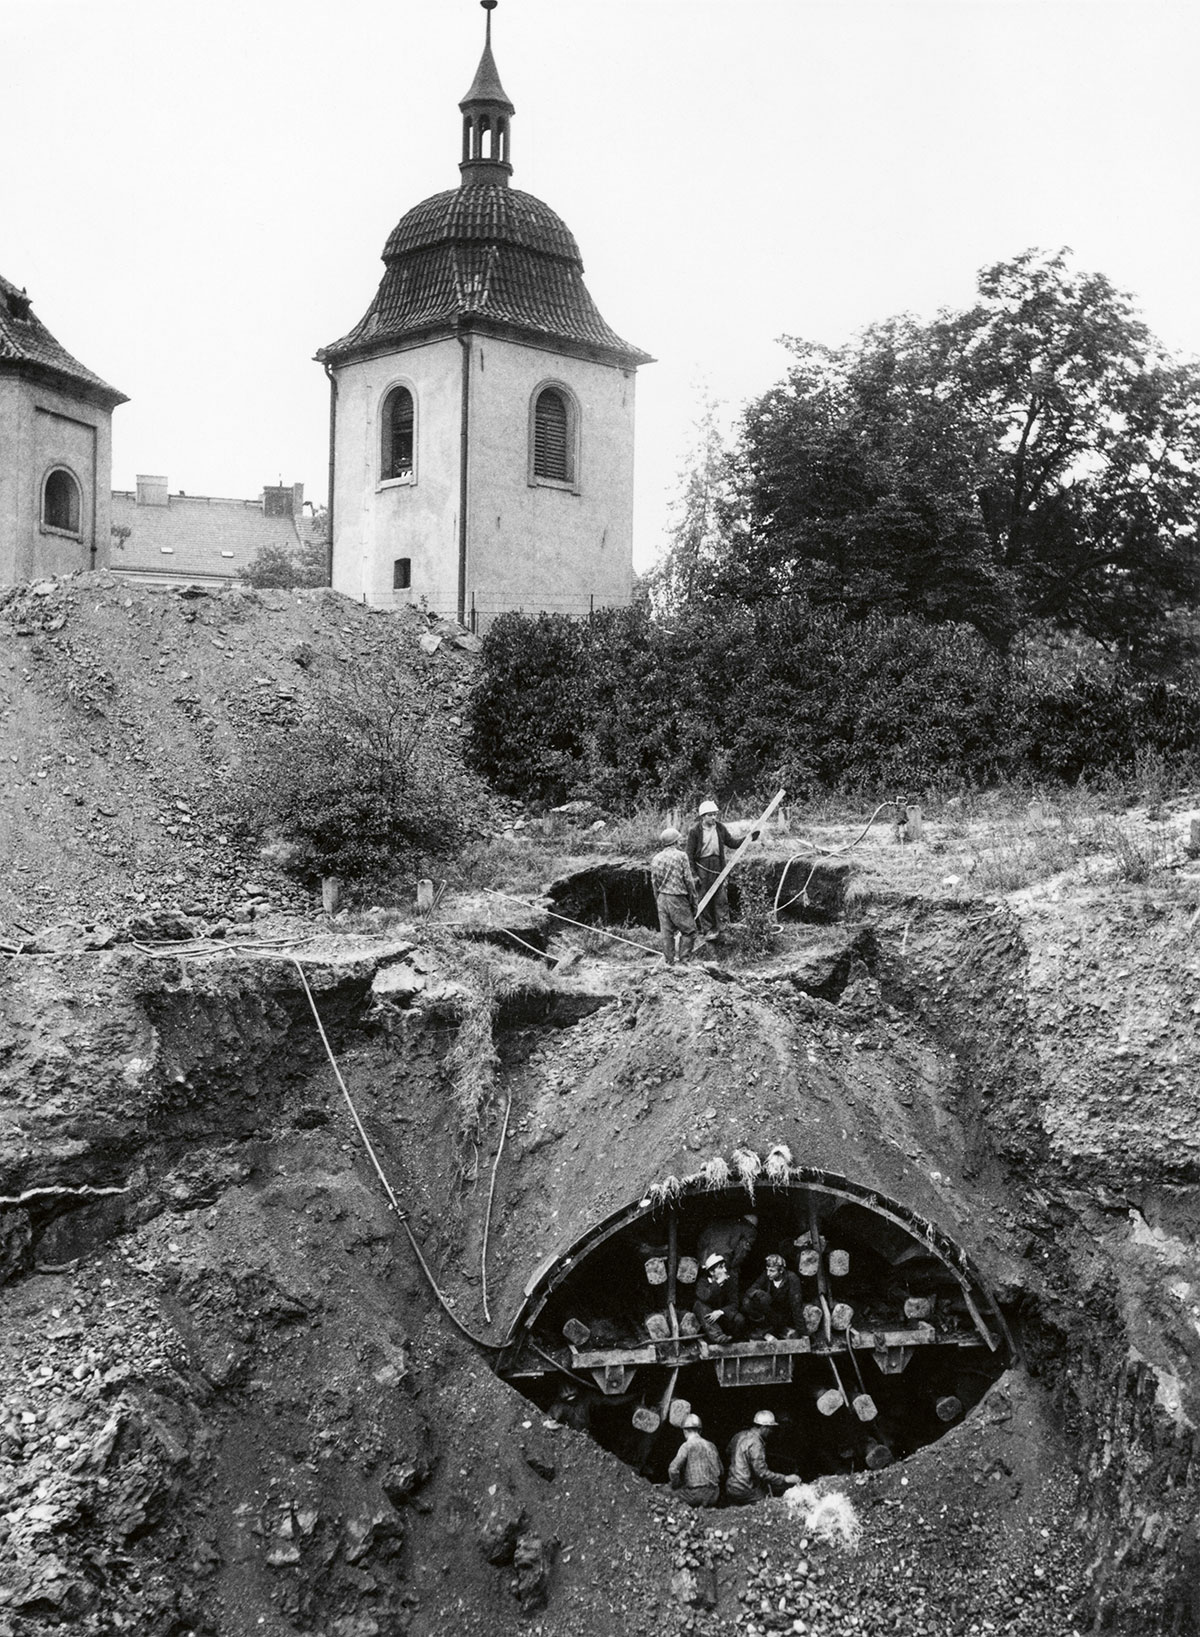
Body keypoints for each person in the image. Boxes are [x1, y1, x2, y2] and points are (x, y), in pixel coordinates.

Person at [725, 1410, 800, 1504]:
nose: (771, 1432)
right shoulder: (756, 1443)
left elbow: (728, 1452)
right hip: (745, 1489)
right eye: (771, 1428)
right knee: (768, 1504)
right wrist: (785, 1478)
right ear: (764, 1427)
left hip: (731, 1486)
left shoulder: (739, 1435)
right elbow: (762, 1473)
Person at [650, 826, 699, 967]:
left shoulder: (656, 858)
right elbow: (688, 880)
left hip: (662, 898)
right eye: (679, 840)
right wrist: (693, 900)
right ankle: (684, 961)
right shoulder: (681, 856)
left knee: (667, 933)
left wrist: (658, 899)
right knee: (689, 930)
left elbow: (654, 882)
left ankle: (669, 963)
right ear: (676, 842)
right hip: (677, 897)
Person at [742, 1252, 806, 1339]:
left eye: (772, 1271)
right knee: (747, 1302)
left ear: (781, 1271)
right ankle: (763, 1329)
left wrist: (803, 1333)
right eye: (767, 1269)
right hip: (768, 1313)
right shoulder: (767, 1276)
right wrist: (759, 1293)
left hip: (783, 1315)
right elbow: (750, 1290)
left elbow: (796, 1306)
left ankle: (770, 1331)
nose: (768, 1273)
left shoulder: (792, 1279)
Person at [667, 1413, 722, 1508]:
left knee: (664, 1491)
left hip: (695, 1495)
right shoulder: (712, 1446)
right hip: (714, 1495)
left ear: (685, 1431)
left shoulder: (687, 1445)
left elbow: (673, 1469)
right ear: (700, 1430)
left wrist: (676, 1485)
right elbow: (721, 1470)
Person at [693, 1252, 747, 1342]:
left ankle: (734, 1341)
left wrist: (721, 1311)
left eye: (724, 1267)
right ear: (711, 1272)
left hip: (722, 1316)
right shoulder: (702, 1283)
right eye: (720, 1268)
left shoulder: (729, 1282)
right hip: (709, 1322)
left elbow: (734, 1303)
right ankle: (718, 1337)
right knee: (699, 1305)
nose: (725, 1270)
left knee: (739, 1319)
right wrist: (717, 1283)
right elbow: (705, 1296)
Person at [697, 1212, 758, 1277]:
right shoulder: (750, 1230)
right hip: (723, 1258)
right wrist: (733, 1267)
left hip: (705, 1257)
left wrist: (702, 1263)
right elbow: (742, 1251)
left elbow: (702, 1241)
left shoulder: (719, 1221)